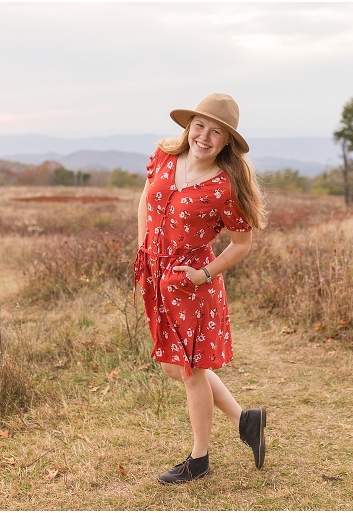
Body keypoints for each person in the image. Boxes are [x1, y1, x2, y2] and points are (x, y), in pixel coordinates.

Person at [134, 93, 268, 484]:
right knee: (172, 365)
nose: (204, 136)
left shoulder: (224, 188)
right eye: (200, 126)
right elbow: (146, 198)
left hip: (192, 285)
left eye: (216, 131)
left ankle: (200, 459)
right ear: (188, 126)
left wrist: (204, 274)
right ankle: (245, 420)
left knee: (191, 370)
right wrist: (144, 248)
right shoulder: (163, 156)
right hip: (156, 277)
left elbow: (241, 244)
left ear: (226, 141)